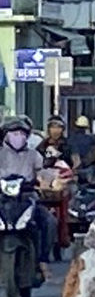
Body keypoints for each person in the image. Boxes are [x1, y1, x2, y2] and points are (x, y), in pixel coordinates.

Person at [0, 117, 55, 278]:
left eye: (21, 133)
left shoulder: (33, 154)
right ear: (6, 135)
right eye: (14, 133)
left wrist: (48, 180)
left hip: (27, 198)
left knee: (49, 221)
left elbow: (42, 171)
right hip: (2, 200)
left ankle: (43, 260)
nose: (18, 136)